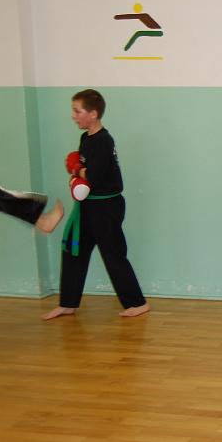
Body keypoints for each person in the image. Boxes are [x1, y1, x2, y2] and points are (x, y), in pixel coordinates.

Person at [42, 89, 150, 320]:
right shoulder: (86, 138)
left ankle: (137, 303)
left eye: (77, 111)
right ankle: (68, 303)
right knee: (74, 252)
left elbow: (93, 176)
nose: (73, 116)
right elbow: (84, 173)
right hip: (87, 207)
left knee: (113, 254)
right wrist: (78, 172)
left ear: (93, 114)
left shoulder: (103, 140)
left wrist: (75, 170)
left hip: (106, 207)